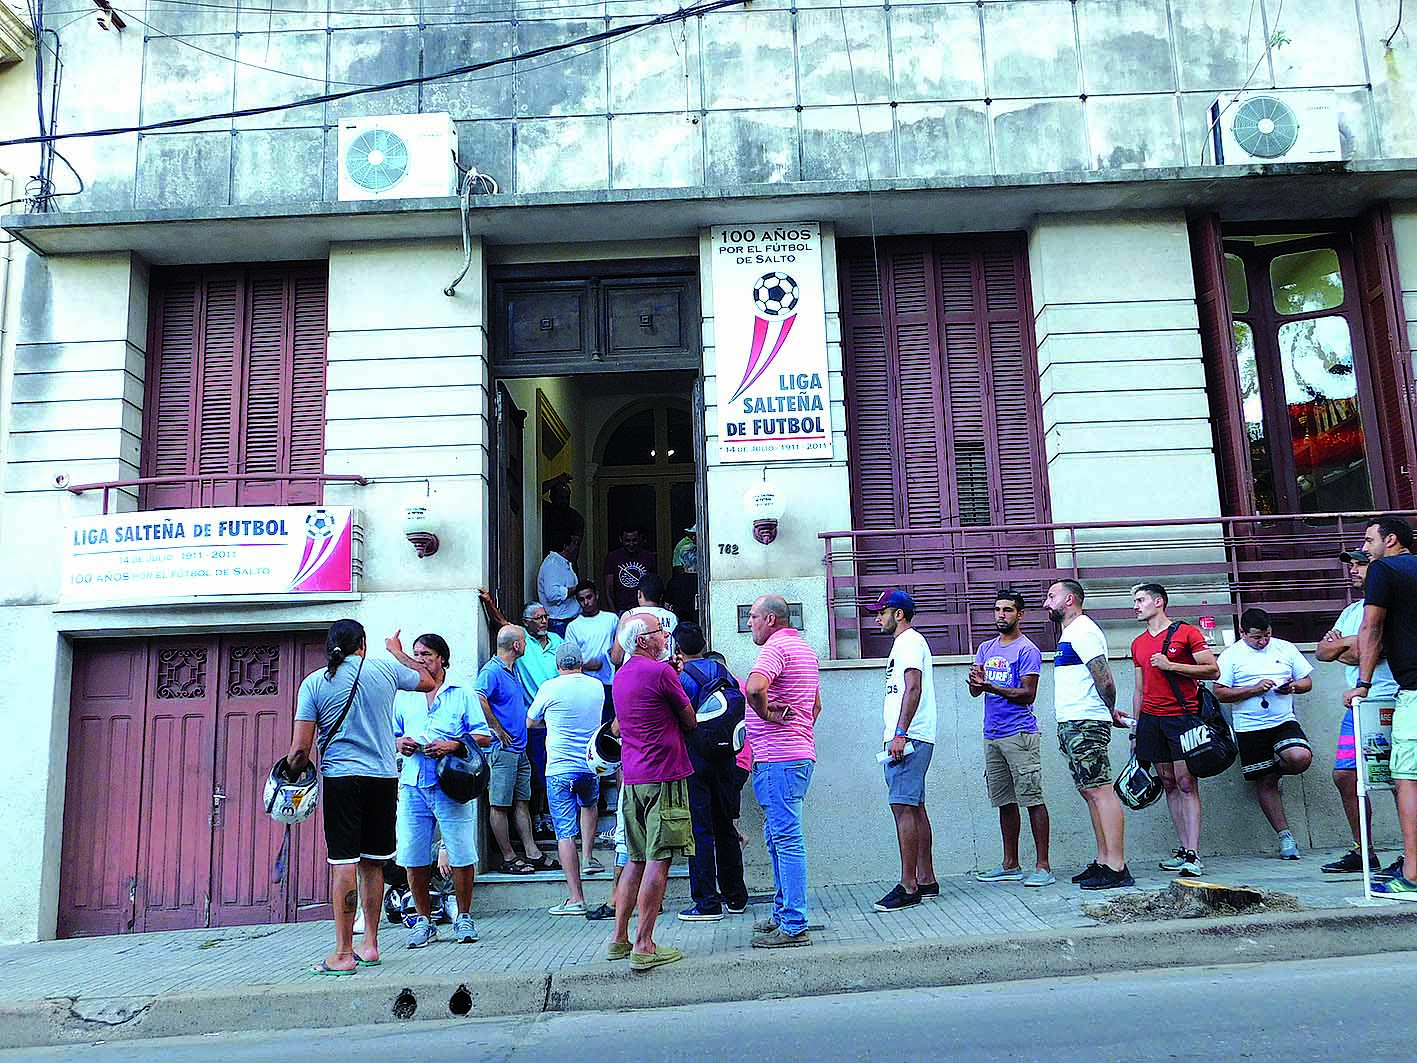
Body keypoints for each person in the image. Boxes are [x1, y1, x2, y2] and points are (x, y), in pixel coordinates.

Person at [286, 620, 436, 975]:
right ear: (363, 645)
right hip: (383, 778)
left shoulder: (314, 683)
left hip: (342, 780)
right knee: (374, 863)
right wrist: (399, 653)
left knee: (344, 863)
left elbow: (300, 750)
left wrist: (289, 779)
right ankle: (370, 945)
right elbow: (429, 679)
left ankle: (342, 953)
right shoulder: (385, 671)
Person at [606, 612, 697, 971]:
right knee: (660, 859)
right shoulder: (661, 672)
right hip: (665, 774)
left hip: (633, 776)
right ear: (643, 640)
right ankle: (644, 944)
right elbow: (689, 719)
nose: (665, 637)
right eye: (660, 632)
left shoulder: (621, 675)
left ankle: (619, 938)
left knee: (635, 857)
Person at [392, 633, 487, 948]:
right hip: (413, 782)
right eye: (417, 654)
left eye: (427, 654)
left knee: (460, 853)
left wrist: (452, 745)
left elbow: (482, 736)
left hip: (452, 781)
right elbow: (390, 734)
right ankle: (424, 920)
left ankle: (464, 916)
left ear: (442, 658)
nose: (420, 660)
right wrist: (400, 744)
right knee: (412, 854)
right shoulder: (404, 694)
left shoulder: (461, 693)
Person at [1344, 515, 1417, 894]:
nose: (1365, 546)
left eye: (1368, 539)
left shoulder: (1383, 569)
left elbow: (1370, 629)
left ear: (1389, 540)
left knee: (1407, 779)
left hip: (1414, 690)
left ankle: (1412, 874)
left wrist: (1363, 684)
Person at [1316, 545, 1400, 874]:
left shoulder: (1391, 603)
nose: (1354, 569)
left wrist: (1347, 646)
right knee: (1344, 775)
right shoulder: (1352, 610)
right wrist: (1348, 645)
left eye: (1361, 564)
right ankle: (1363, 850)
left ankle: (1411, 853)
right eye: (1352, 564)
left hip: (1385, 701)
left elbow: (1373, 649)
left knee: (1399, 779)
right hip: (1356, 707)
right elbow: (1323, 652)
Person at [745, 594, 822, 948]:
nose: (749, 622)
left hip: (779, 760)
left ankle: (793, 924)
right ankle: (783, 913)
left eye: (754, 617)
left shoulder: (775, 649)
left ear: (771, 620)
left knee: (787, 841)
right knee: (778, 840)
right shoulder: (804, 650)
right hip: (793, 756)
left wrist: (764, 715)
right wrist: (796, 730)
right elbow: (815, 705)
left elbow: (754, 688)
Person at [1044, 580, 1131, 890]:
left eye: (1051, 596)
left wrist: (1108, 710)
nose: (1046, 603)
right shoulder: (1071, 633)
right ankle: (1104, 860)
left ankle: (1117, 866)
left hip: (1085, 723)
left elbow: (1104, 679)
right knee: (1089, 791)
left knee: (1100, 790)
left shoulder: (1084, 630)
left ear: (1069, 599)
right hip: (1072, 722)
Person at [1130, 582, 1220, 879]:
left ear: (1159, 602)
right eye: (1135, 601)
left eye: (1141, 600)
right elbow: (1139, 689)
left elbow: (1212, 670)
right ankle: (1182, 850)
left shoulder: (1187, 633)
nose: (1136, 605)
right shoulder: (1138, 643)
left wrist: (1172, 666)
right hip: (1151, 720)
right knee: (1167, 781)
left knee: (1185, 782)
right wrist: (1135, 728)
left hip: (1182, 717)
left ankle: (1194, 854)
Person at [1214, 608, 1315, 860]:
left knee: (1300, 757)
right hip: (1249, 725)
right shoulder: (1231, 655)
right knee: (1265, 781)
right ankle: (1285, 837)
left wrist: (1292, 686)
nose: (1263, 641)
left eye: (1267, 635)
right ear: (1242, 633)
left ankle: (1276, 766)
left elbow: (1307, 682)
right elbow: (1221, 692)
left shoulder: (1285, 648)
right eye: (1256, 637)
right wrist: (1253, 690)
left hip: (1283, 720)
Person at [969, 592, 1051, 888]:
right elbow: (977, 692)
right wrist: (977, 684)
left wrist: (990, 685)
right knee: (1004, 801)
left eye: (1007, 610)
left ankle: (1043, 866)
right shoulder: (985, 648)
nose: (1000, 615)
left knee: (1032, 798)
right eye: (997, 610)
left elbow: (1028, 694)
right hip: (992, 734)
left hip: (1020, 734)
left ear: (1020, 615)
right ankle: (1010, 864)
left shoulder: (1027, 650)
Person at [673, 622, 750, 921]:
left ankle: (706, 903)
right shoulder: (723, 673)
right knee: (726, 828)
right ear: (704, 644)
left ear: (677, 649)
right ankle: (736, 896)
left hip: (695, 760)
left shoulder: (681, 679)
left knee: (700, 831)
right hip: (727, 758)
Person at [870, 590, 940, 912]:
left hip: (909, 738)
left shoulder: (910, 641)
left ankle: (908, 885)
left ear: (898, 614)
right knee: (914, 806)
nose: (877, 618)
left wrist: (900, 733)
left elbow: (914, 687)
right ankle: (925, 878)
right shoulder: (905, 644)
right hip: (910, 736)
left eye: (882, 611)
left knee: (902, 807)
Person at [528, 642, 607, 916]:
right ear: (581, 663)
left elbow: (530, 721)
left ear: (558, 665)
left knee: (564, 833)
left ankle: (576, 897)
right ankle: (588, 857)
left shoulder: (549, 688)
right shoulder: (596, 686)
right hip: (589, 764)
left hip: (559, 768)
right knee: (589, 805)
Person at [475, 624, 550, 875]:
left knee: (521, 801)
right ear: (516, 645)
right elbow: (479, 697)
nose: (527, 645)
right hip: (502, 751)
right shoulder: (492, 671)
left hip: (519, 749)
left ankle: (532, 852)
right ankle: (508, 857)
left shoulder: (512, 670)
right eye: (524, 642)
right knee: (499, 804)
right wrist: (496, 728)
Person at [516, 602, 565, 848]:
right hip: (534, 720)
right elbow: (502, 625)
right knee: (536, 771)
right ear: (526, 622)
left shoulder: (557, 640)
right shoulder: (522, 640)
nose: (544, 621)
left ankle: (552, 816)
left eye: (546, 616)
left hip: (557, 719)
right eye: (538, 618)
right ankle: (537, 816)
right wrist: (490, 604)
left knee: (554, 769)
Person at [567, 580, 619, 723]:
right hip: (585, 683)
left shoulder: (611, 619)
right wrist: (586, 665)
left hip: (609, 681)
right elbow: (569, 659)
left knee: (608, 724)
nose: (586, 602)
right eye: (581, 599)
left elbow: (622, 648)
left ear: (596, 595)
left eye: (588, 597)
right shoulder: (573, 626)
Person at [537, 532, 583, 636]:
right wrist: (577, 589)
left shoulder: (564, 564)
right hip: (560, 623)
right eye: (574, 543)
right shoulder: (553, 564)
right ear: (565, 546)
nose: (577, 548)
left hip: (569, 621)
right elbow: (552, 594)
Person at [603, 527, 657, 614]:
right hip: (622, 609)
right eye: (627, 540)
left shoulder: (648, 557)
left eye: (634, 540)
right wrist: (613, 613)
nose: (631, 544)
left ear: (640, 539)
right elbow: (609, 589)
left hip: (644, 609)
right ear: (621, 540)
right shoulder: (613, 557)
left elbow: (653, 587)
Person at [541, 471, 586, 560]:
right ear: (552, 497)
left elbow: (573, 548)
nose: (564, 501)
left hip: (565, 563)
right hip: (545, 559)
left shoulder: (576, 518)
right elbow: (533, 493)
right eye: (561, 497)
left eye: (567, 498)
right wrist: (557, 480)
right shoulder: (545, 510)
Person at [669, 524, 699, 623]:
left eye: (696, 534)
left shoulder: (674, 583)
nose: (693, 538)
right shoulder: (704, 582)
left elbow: (667, 605)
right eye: (692, 535)